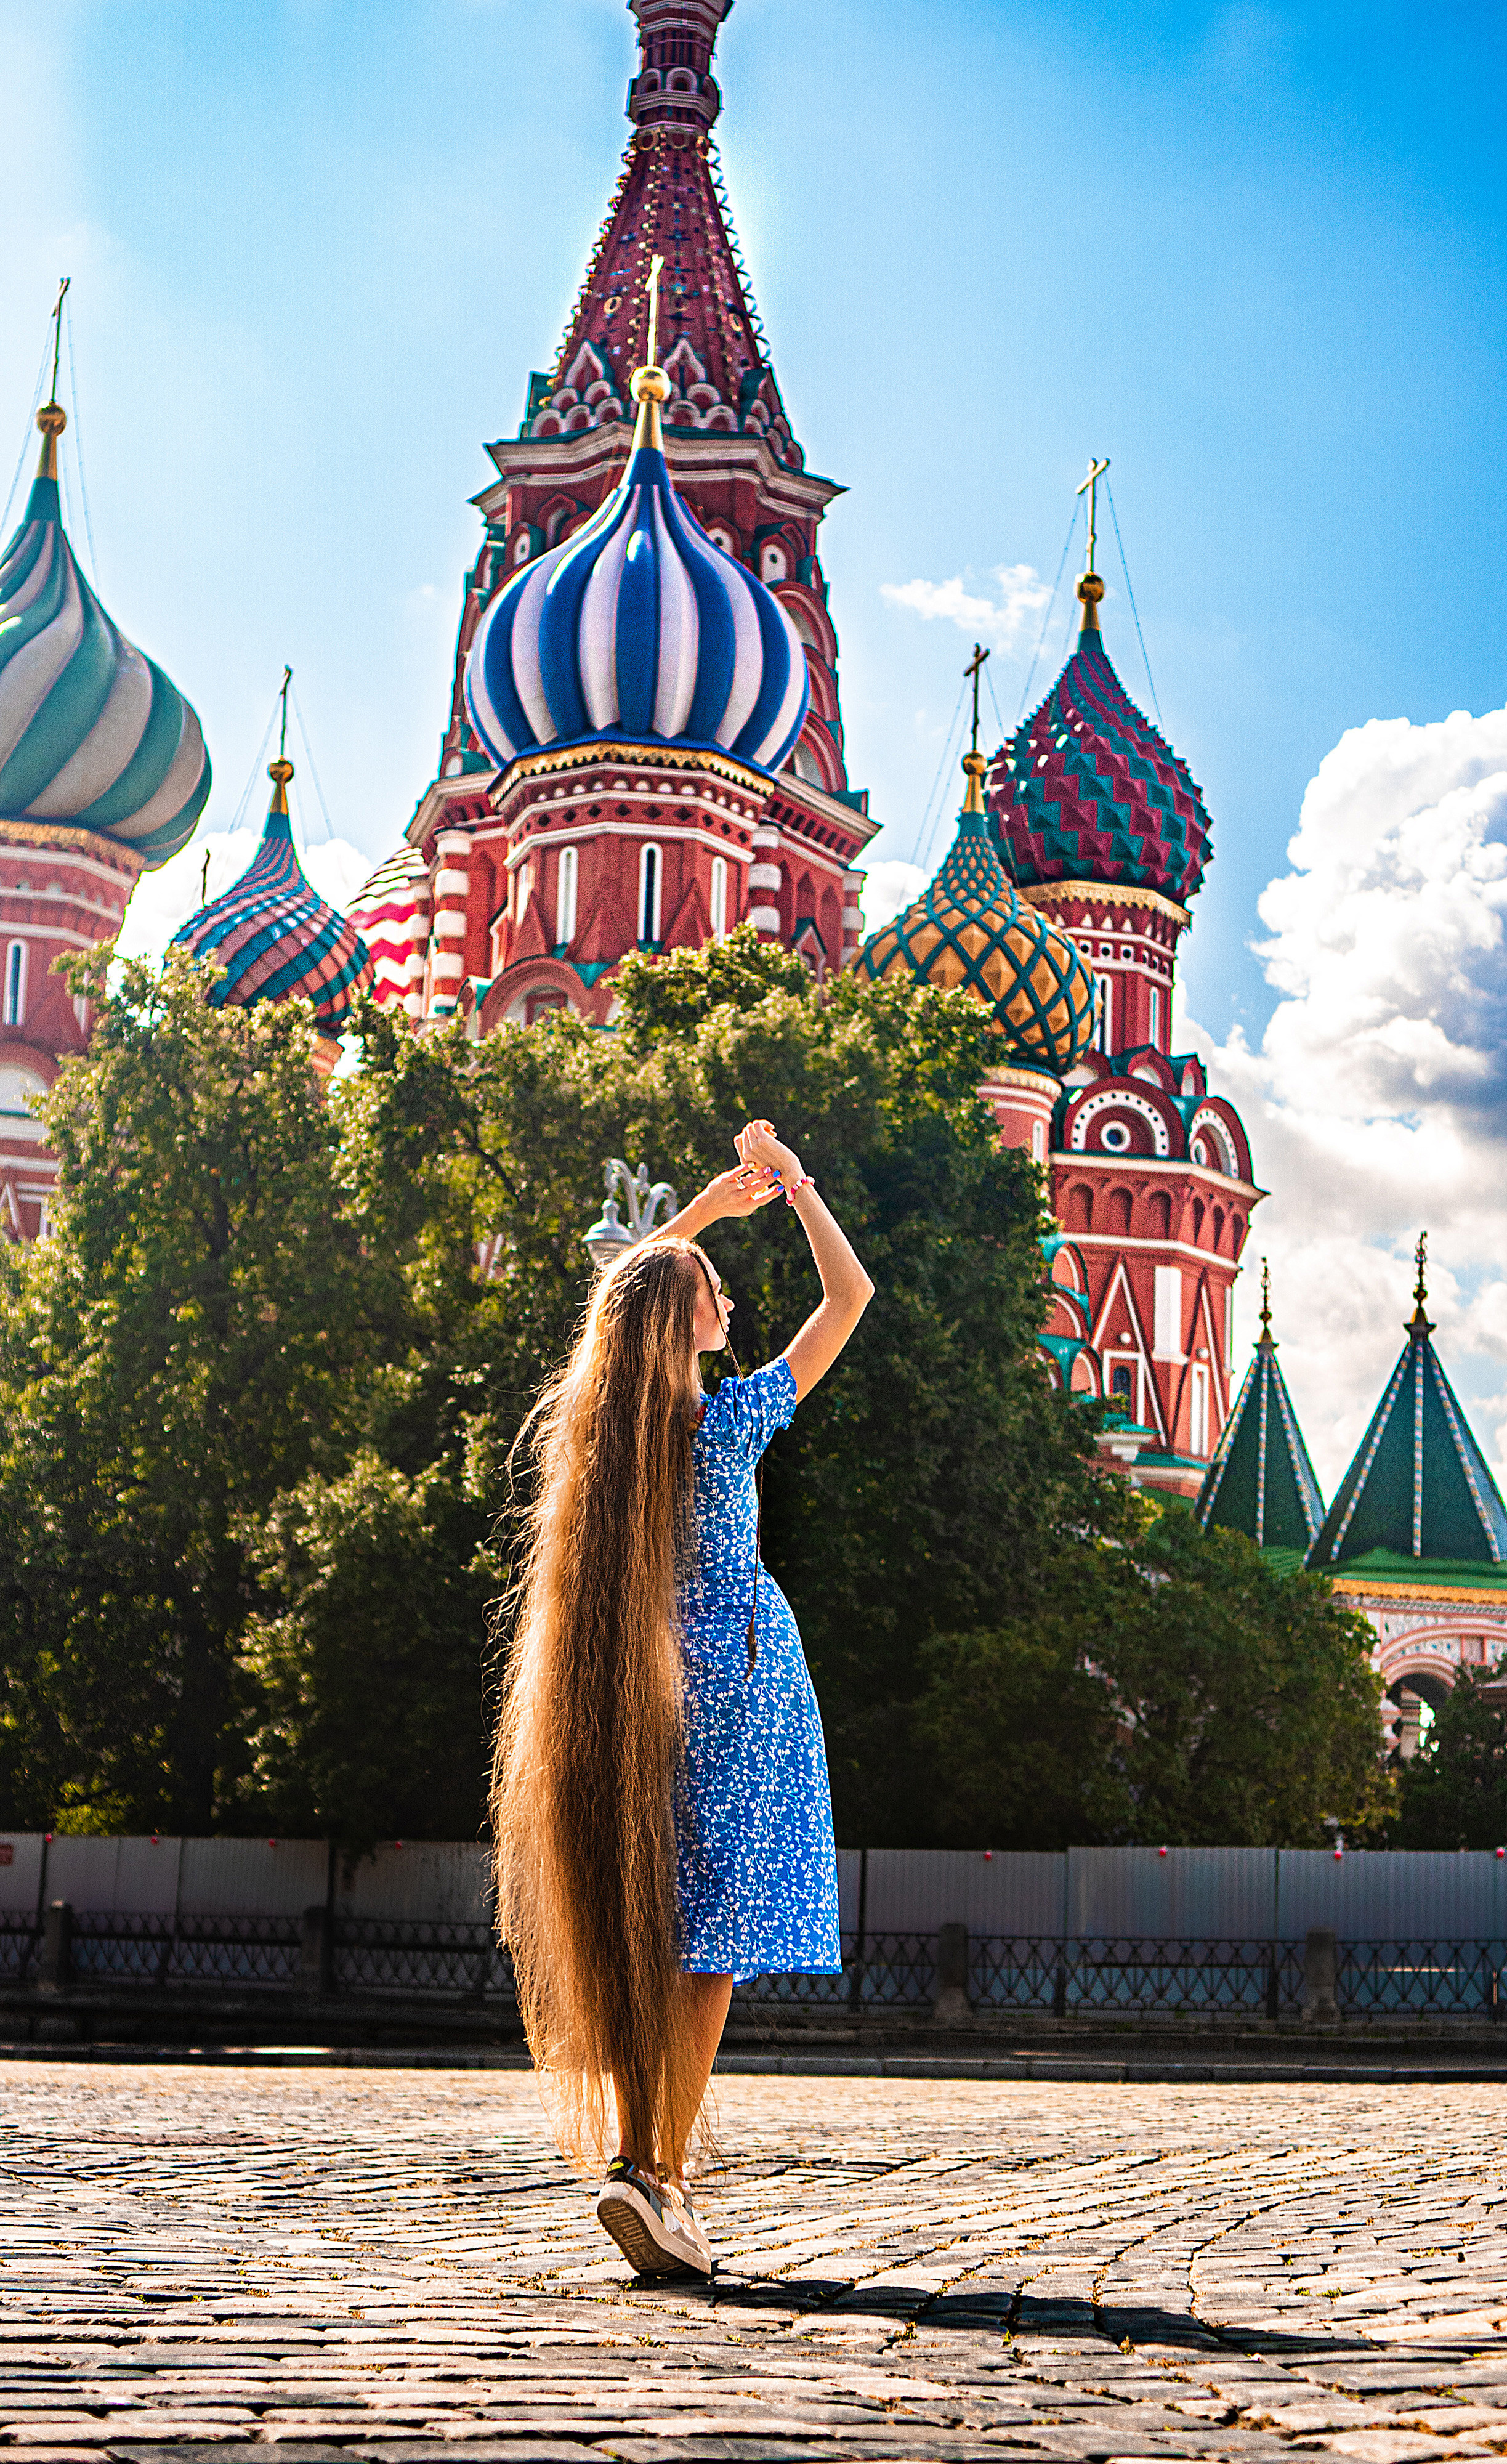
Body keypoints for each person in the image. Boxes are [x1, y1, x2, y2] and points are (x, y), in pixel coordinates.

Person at [490, 1117, 873, 2279]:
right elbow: (849, 1295)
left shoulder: (609, 1435)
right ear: (693, 1321)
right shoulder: (724, 1424)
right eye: (716, 1294)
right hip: (747, 1691)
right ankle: (655, 2172)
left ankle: (639, 2161)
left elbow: (624, 1293)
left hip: (643, 1692)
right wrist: (795, 1185)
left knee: (652, 1926)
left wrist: (705, 1212)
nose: (732, 1308)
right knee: (714, 1944)